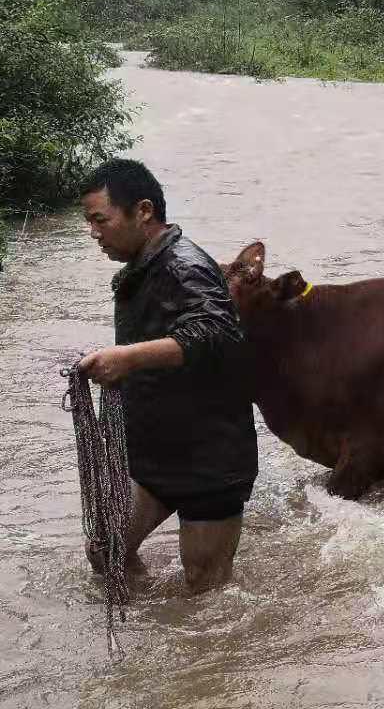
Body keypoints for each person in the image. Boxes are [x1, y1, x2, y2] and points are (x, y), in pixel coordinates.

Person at [77, 159, 257, 593]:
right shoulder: (144, 267)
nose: (93, 233)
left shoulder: (184, 265)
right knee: (106, 548)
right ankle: (146, 623)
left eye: (101, 219)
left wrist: (128, 358)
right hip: (154, 454)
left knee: (205, 594)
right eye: (89, 222)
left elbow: (217, 333)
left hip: (208, 462)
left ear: (143, 211)